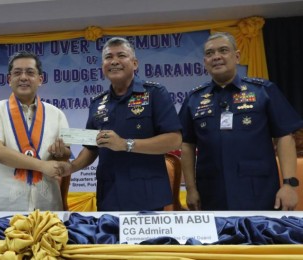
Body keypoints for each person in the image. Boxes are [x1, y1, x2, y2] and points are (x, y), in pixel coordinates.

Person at [178, 32, 303, 211]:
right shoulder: (194, 99)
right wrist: (190, 189)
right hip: (211, 191)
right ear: (205, 62)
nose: (216, 57)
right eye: (210, 53)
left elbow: (284, 137)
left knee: (260, 237)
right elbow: (187, 145)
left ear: (236, 56)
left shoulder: (263, 91)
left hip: (258, 189)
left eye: (223, 50)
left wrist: (289, 185)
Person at [63, 37, 182, 211]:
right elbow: (91, 147)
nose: (114, 61)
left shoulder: (154, 93)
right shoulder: (98, 103)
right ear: (103, 66)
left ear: (134, 63)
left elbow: (174, 139)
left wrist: (125, 144)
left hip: (148, 196)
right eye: (108, 57)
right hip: (109, 195)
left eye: (121, 55)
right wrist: (70, 168)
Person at [0, 51, 71, 211]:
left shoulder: (57, 113)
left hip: (47, 204)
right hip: (2, 205)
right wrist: (42, 166)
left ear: (40, 79)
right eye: (17, 73)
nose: (23, 77)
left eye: (30, 72)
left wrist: (61, 153)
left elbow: (66, 154)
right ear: (9, 79)